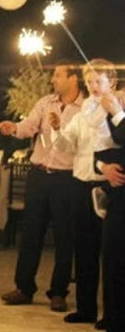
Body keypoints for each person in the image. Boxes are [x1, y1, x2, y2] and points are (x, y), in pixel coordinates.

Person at [0, 62, 84, 312]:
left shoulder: (84, 108)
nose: (53, 79)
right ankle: (24, 288)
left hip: (66, 178)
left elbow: (80, 142)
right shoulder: (46, 102)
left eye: (58, 75)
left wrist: (60, 127)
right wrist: (14, 128)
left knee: (64, 236)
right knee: (31, 233)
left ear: (73, 78)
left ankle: (58, 292)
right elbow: (30, 125)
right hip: (39, 175)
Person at [51, 59, 123, 325]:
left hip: (106, 185)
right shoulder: (82, 113)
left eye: (98, 81)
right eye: (89, 81)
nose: (93, 86)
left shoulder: (115, 110)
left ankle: (111, 313)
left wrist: (104, 165)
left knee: (110, 253)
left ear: (111, 83)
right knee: (84, 249)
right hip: (81, 183)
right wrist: (58, 128)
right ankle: (86, 308)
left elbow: (115, 146)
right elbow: (67, 145)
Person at [95, 87, 125, 332]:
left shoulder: (118, 116)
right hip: (117, 198)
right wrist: (103, 166)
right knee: (112, 256)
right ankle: (112, 316)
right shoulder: (112, 117)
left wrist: (118, 114)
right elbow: (98, 151)